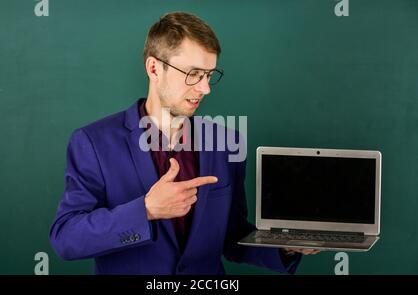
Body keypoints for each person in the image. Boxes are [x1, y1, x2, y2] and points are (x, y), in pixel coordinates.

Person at [49, 12, 318, 275]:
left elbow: (232, 235)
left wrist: (285, 247)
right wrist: (146, 210)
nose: (205, 88)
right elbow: (67, 237)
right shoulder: (93, 142)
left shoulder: (227, 143)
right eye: (194, 74)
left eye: (210, 75)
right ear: (154, 68)